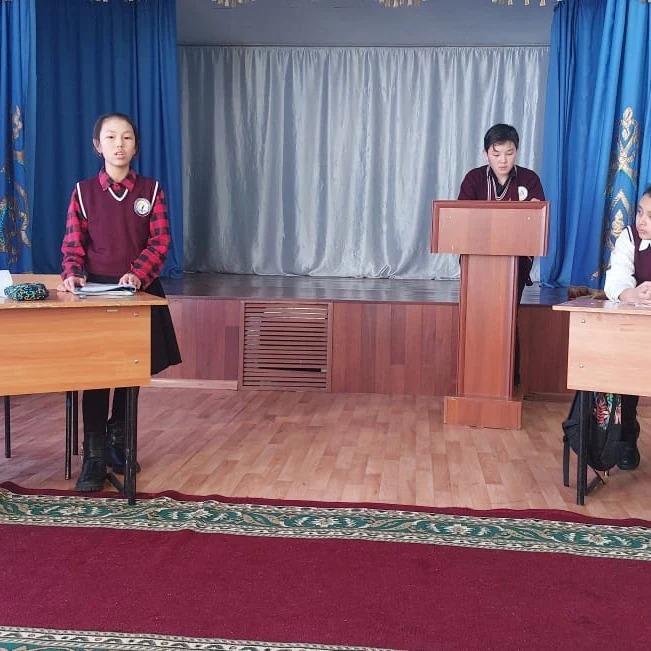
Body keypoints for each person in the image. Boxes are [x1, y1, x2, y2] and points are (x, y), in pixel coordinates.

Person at [58, 113, 181, 491]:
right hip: (96, 295)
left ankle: (119, 441)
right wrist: (73, 272)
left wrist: (137, 274)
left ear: (135, 146)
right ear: (97, 146)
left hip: (138, 293)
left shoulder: (151, 190)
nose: (119, 144)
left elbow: (160, 242)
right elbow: (73, 244)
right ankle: (93, 456)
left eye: (127, 137)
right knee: (96, 377)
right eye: (110, 137)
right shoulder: (83, 192)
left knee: (131, 372)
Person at [457, 123, 545, 385]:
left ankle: (508, 380)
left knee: (507, 317)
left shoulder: (530, 180)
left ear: (516, 151)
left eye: (509, 153)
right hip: (477, 263)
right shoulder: (473, 179)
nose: (503, 160)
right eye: (496, 154)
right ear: (486, 154)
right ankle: (474, 376)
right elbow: (462, 220)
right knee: (477, 318)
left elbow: (537, 220)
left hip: (515, 264)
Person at [603, 186, 651, 470]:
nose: (642, 221)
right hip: (638, 326)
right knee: (627, 366)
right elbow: (615, 278)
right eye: (640, 212)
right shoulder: (629, 237)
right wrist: (629, 294)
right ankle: (626, 434)